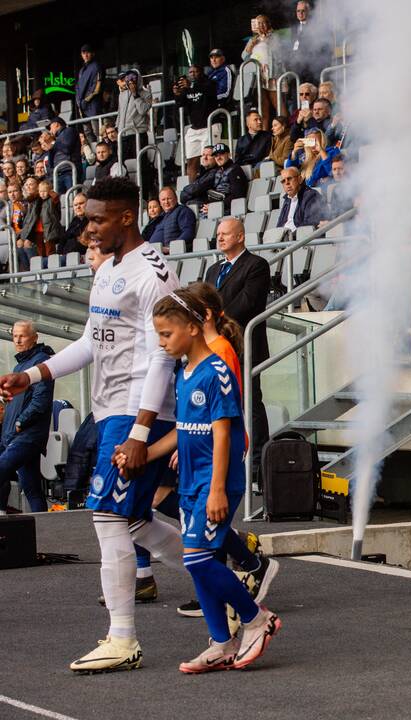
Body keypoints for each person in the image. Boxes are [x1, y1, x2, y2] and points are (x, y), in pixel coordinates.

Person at [0, 177, 185, 673]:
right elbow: (90, 343)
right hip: (110, 409)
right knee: (137, 520)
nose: (89, 228)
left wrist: (140, 432)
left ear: (127, 217)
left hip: (136, 409)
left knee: (107, 517)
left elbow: (160, 360)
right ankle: (229, 577)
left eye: (98, 219)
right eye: (87, 218)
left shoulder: (152, 275)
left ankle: (122, 637)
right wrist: (31, 374)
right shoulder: (109, 269)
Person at [140, 288, 280, 672]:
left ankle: (256, 619)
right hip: (190, 482)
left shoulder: (216, 371)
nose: (162, 342)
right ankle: (221, 643)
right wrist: (142, 452)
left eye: (167, 334)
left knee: (199, 558)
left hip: (213, 482)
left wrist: (217, 488)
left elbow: (222, 434)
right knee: (196, 561)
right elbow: (184, 430)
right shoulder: (183, 373)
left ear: (192, 327)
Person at [204, 218, 271, 478]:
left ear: (240, 236)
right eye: (218, 234)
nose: (219, 238)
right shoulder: (212, 270)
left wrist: (213, 322)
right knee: (218, 404)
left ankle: (256, 468)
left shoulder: (256, 266)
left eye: (225, 234)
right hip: (214, 347)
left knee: (250, 404)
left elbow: (248, 303)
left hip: (244, 347)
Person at [0, 321, 53, 514]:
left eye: (22, 335)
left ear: (35, 337)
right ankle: (44, 530)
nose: (18, 340)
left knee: (2, 469)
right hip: (14, 435)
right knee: (32, 489)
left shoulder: (42, 362)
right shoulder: (19, 366)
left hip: (27, 436)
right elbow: (15, 401)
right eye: (14, 336)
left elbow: (41, 401)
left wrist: (20, 422)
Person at [173, 65, 220, 182]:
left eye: (195, 71)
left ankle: (212, 184)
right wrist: (177, 94)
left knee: (209, 160)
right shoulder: (187, 88)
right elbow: (180, 104)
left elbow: (210, 91)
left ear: (201, 72)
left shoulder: (209, 83)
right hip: (194, 129)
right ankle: (192, 189)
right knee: (191, 162)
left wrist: (192, 86)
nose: (192, 74)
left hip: (209, 126)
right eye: (190, 72)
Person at [182, 144, 249, 217]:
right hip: (215, 206)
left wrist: (215, 206)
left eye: (221, 154)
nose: (218, 157)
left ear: (228, 154)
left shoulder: (235, 170)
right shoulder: (218, 171)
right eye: (216, 155)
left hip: (228, 209)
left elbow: (238, 195)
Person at [242, 14, 281, 129]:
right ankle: (264, 133)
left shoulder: (274, 37)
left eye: (264, 22)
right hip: (259, 76)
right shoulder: (254, 39)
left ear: (268, 24)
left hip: (272, 74)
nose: (261, 25)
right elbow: (244, 56)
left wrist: (267, 40)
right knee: (263, 107)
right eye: (259, 23)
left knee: (278, 104)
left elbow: (278, 53)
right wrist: (251, 45)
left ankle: (285, 129)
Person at [287, 0, 332, 84]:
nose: (300, 13)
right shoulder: (294, 28)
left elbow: (324, 48)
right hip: (297, 68)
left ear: (309, 11)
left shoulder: (317, 26)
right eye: (298, 11)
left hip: (312, 68)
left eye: (303, 10)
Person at [149, 186, 197, 251]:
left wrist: (171, 248)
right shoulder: (161, 217)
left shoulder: (183, 211)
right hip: (155, 254)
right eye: (163, 200)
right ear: (160, 203)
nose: (166, 202)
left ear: (176, 198)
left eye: (169, 198)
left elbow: (188, 232)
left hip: (172, 254)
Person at [75, 45, 104, 139]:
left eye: (88, 52)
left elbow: (97, 87)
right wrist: (79, 101)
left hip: (93, 104)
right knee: (87, 133)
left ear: (92, 54)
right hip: (82, 106)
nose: (86, 55)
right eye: (83, 53)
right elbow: (78, 87)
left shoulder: (96, 66)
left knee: (98, 132)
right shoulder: (81, 70)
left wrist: (86, 100)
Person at [47, 119, 81, 193]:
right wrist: (49, 148)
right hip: (58, 173)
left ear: (56, 124)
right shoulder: (56, 140)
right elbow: (51, 161)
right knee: (58, 201)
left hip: (70, 171)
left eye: (50, 127)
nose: (50, 131)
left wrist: (53, 143)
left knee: (73, 196)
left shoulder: (69, 130)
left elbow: (67, 149)